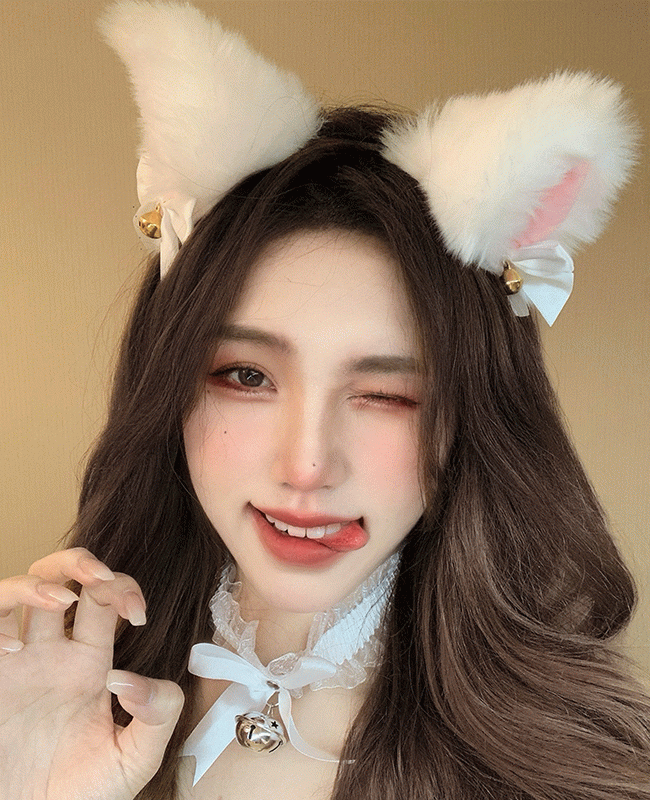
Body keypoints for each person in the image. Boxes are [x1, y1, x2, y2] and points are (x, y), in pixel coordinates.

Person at [1, 2, 649, 799]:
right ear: (167, 383)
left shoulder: (569, 765)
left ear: (473, 417)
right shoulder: (43, 703)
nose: (306, 466)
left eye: (385, 393)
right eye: (247, 376)